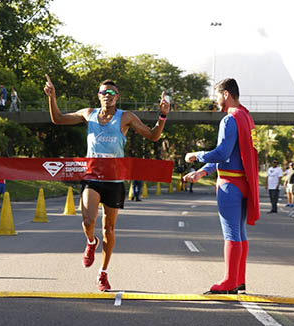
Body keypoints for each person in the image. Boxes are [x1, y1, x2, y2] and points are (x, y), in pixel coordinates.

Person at [44, 74, 170, 291]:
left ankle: (102, 273)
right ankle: (90, 242)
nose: (108, 96)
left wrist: (162, 116)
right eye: (104, 93)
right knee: (87, 220)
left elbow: (153, 136)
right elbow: (58, 119)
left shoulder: (125, 117)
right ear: (99, 96)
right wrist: (52, 97)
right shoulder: (88, 113)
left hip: (114, 180)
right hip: (92, 176)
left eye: (112, 93)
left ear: (117, 97)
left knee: (109, 230)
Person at [184, 78, 259, 294]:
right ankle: (239, 279)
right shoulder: (245, 116)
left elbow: (222, 153)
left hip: (230, 185)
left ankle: (229, 281)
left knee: (231, 233)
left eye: (217, 96)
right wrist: (204, 171)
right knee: (240, 232)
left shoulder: (229, 119)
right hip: (243, 183)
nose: (216, 101)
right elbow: (232, 153)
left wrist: (196, 155)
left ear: (226, 94)